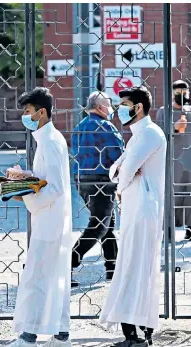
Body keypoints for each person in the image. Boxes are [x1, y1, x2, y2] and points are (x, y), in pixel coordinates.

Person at [0, 87, 72, 347]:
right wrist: (23, 180)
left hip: (49, 221)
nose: (24, 116)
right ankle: (61, 338)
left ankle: (27, 341)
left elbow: (55, 188)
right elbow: (43, 181)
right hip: (52, 220)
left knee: (37, 279)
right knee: (54, 278)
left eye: (27, 112)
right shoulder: (49, 139)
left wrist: (22, 195)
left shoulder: (50, 141)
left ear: (42, 112)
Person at [100, 86, 166, 347]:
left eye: (124, 104)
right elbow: (116, 168)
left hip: (143, 209)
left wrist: (121, 176)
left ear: (138, 107)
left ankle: (136, 336)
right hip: (135, 207)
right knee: (134, 268)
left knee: (137, 269)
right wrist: (122, 173)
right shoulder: (137, 136)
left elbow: (124, 170)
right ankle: (140, 333)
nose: (120, 110)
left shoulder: (150, 134)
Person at [71, 91, 123, 286]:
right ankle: (69, 263)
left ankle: (113, 270)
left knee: (107, 225)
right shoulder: (106, 127)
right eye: (109, 104)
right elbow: (118, 156)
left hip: (82, 181)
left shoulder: (80, 127)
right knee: (99, 226)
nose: (111, 108)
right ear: (100, 107)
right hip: (102, 181)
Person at [156, 80, 191, 242]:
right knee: (171, 192)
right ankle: (168, 230)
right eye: (178, 92)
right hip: (172, 157)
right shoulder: (164, 111)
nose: (182, 95)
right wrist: (174, 128)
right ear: (172, 93)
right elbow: (159, 134)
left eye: (185, 92)